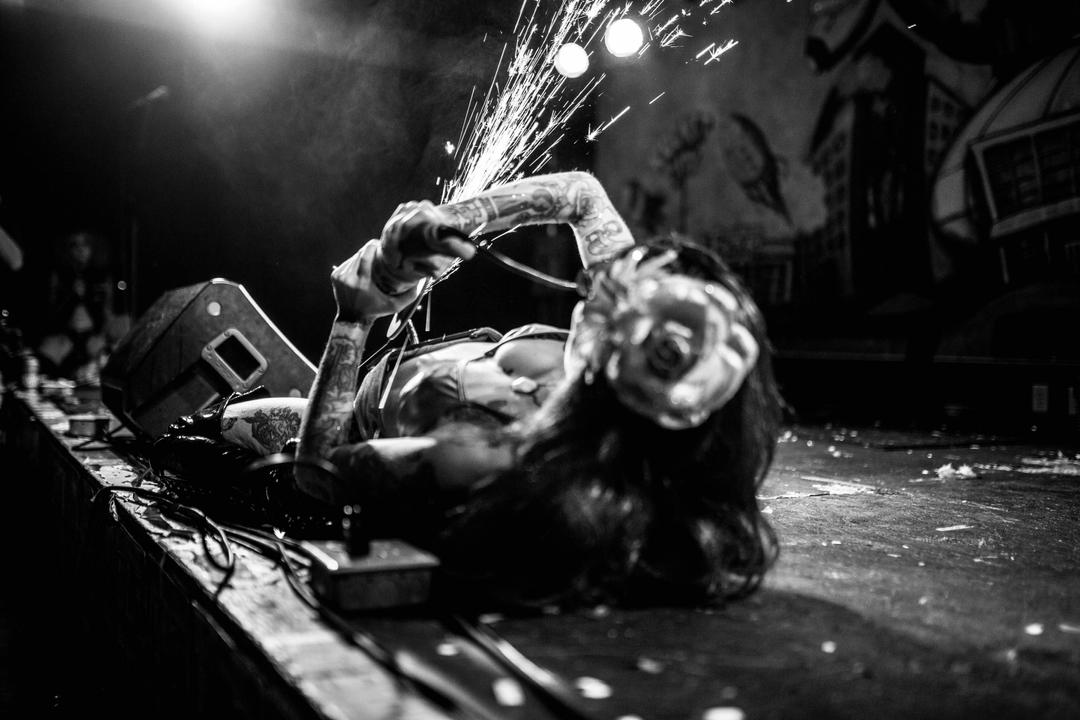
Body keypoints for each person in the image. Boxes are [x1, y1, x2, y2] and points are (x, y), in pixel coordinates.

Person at [155, 171, 782, 608]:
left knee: (202, 434)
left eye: (617, 297)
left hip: (354, 411)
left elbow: (317, 470)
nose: (607, 282)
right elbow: (583, 196)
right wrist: (444, 224)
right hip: (414, 356)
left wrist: (352, 318)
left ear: (615, 371)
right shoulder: (630, 334)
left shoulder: (495, 462)